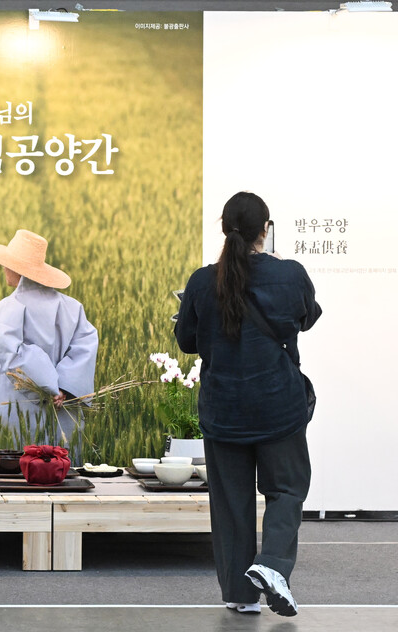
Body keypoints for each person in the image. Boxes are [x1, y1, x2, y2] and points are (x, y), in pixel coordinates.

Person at [174, 191, 321, 617]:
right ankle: (273, 565)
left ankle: (240, 593)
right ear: (266, 230)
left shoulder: (202, 282)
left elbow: (186, 342)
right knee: (287, 489)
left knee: (231, 501)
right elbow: (307, 318)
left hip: (224, 410)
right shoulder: (290, 275)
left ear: (224, 228)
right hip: (279, 407)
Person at [0, 229, 98, 445]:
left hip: (15, 411)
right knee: (60, 468)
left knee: (18, 470)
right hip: (63, 411)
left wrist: (49, 386)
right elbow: (85, 347)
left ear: (16, 269)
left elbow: (13, 357)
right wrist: (62, 388)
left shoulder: (7, 309)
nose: (3, 269)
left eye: (6, 264)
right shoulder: (73, 308)